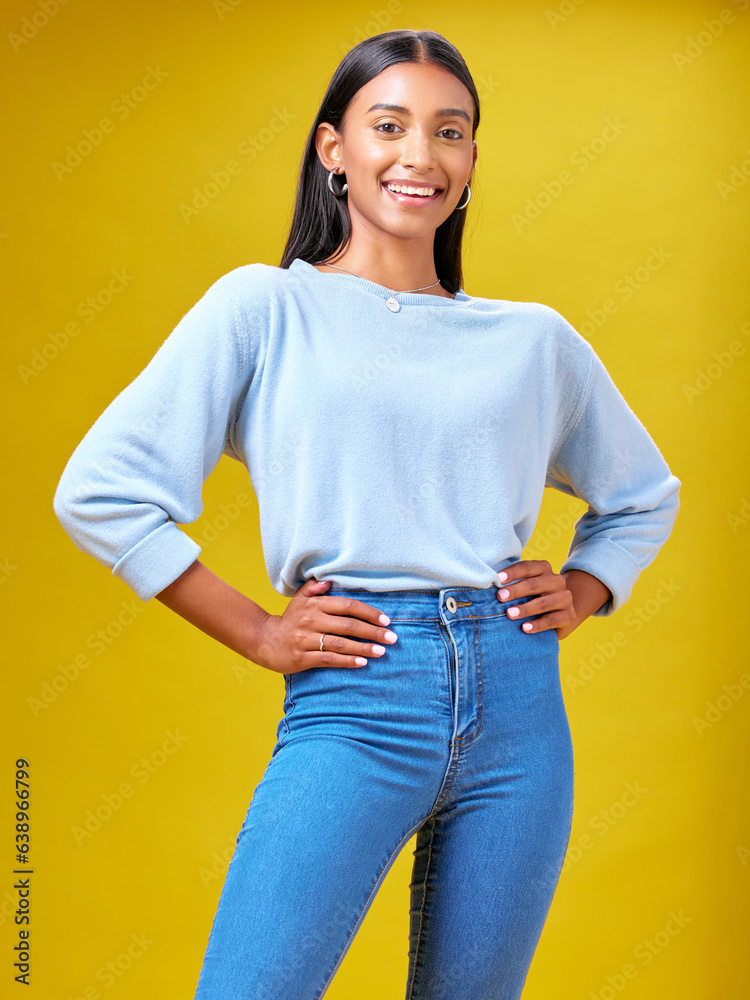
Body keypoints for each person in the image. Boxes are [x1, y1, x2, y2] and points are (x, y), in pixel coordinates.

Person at [52, 28, 681, 1000]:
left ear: (472, 161)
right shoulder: (265, 309)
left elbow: (643, 495)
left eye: (451, 131)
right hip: (359, 695)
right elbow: (100, 489)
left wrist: (587, 585)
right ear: (332, 147)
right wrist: (262, 632)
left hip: (519, 708)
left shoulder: (530, 339)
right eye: (388, 125)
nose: (420, 155)